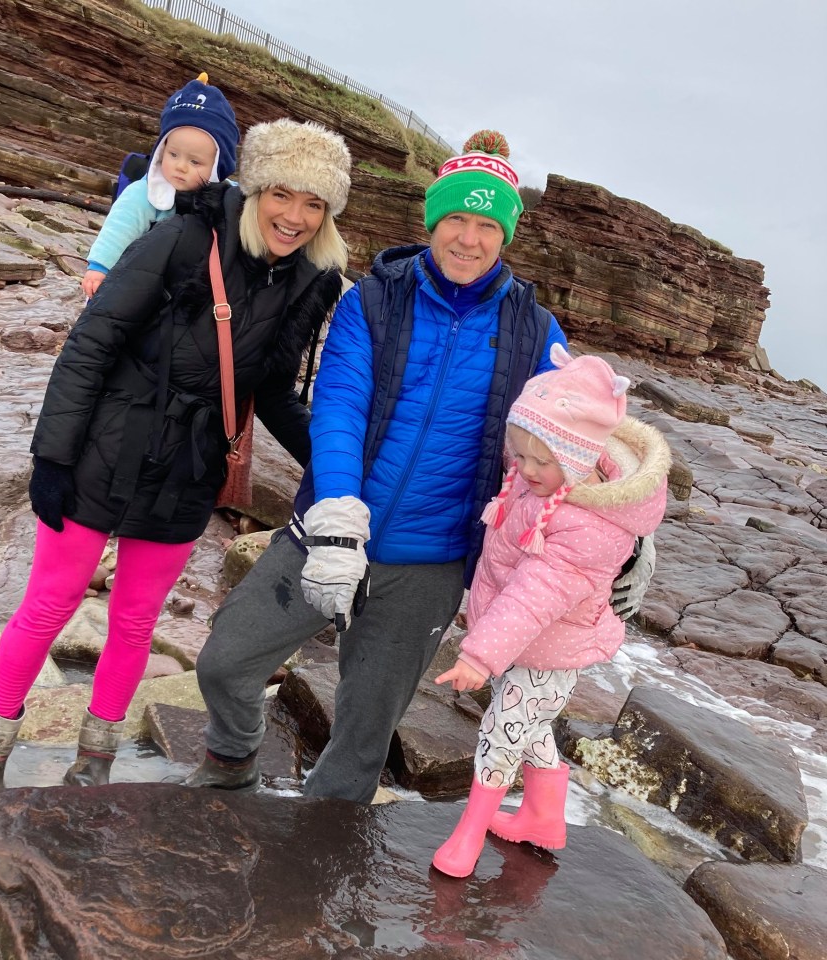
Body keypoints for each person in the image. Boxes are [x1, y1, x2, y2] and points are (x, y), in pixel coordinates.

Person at [0, 117, 353, 793]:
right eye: (284, 194)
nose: (297, 216)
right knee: (49, 605)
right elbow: (93, 341)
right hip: (107, 445)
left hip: (190, 467)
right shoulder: (186, 235)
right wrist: (51, 458)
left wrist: (339, 472)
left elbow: (275, 390)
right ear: (256, 189)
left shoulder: (312, 281)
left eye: (316, 203)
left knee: (136, 621)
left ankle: (94, 763)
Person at [189, 130, 584, 801]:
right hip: (329, 532)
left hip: (429, 566)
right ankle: (232, 757)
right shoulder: (372, 299)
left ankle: (310, 866)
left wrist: (629, 533)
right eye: (456, 217)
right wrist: (339, 518)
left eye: (487, 224)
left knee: (363, 737)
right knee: (225, 662)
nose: (468, 238)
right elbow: (339, 406)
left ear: (506, 236)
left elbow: (576, 442)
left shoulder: (536, 331)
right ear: (431, 221)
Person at [430, 345, 670, 877]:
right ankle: (543, 815)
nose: (526, 469)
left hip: (549, 649)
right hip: (526, 643)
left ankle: (468, 832)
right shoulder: (543, 480)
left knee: (503, 730)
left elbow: (535, 593)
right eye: (520, 455)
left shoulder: (591, 525)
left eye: (543, 460)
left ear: (580, 458)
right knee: (530, 724)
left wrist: (478, 654)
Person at [81, 72, 240, 299]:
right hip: (141, 281)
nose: (180, 166)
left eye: (195, 161)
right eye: (173, 154)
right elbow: (118, 228)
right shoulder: (145, 193)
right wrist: (100, 268)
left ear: (217, 166)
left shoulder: (228, 197)